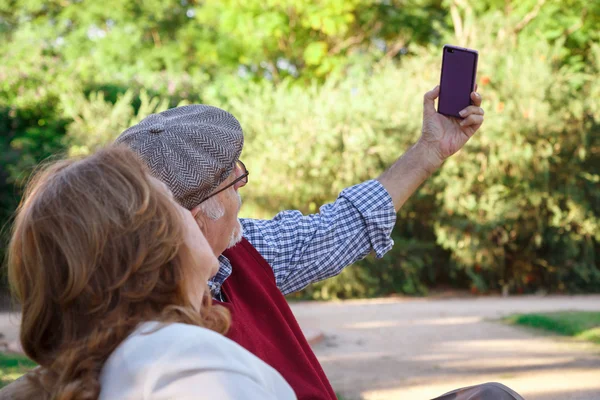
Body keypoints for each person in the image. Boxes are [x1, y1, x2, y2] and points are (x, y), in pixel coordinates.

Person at [2, 86, 524, 399]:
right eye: (235, 179)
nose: (244, 190)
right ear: (185, 217)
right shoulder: (179, 363)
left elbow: (343, 225)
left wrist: (430, 149)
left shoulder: (240, 252)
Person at [5, 146, 296, 399]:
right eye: (171, 203)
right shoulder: (185, 364)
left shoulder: (96, 372)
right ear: (150, 246)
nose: (190, 212)